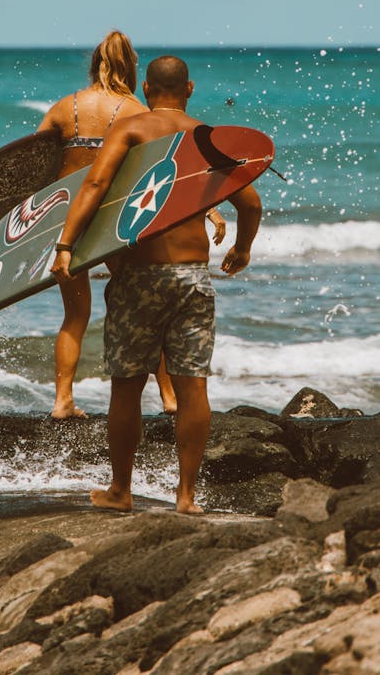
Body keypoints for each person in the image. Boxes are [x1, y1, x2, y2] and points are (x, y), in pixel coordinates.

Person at [50, 55, 262, 515]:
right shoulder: (207, 138)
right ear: (189, 89)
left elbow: (94, 185)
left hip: (137, 277)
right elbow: (251, 202)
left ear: (145, 90)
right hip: (193, 277)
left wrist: (66, 243)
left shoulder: (131, 131)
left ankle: (121, 492)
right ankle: (187, 498)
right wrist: (242, 249)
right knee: (193, 387)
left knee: (126, 386)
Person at [37, 32, 225, 420]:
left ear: (94, 65)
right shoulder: (135, 111)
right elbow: (166, 172)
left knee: (75, 315)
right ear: (134, 70)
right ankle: (169, 397)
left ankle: (62, 401)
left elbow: (33, 166)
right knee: (145, 309)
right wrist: (209, 210)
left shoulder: (62, 107)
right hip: (113, 222)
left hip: (68, 220)